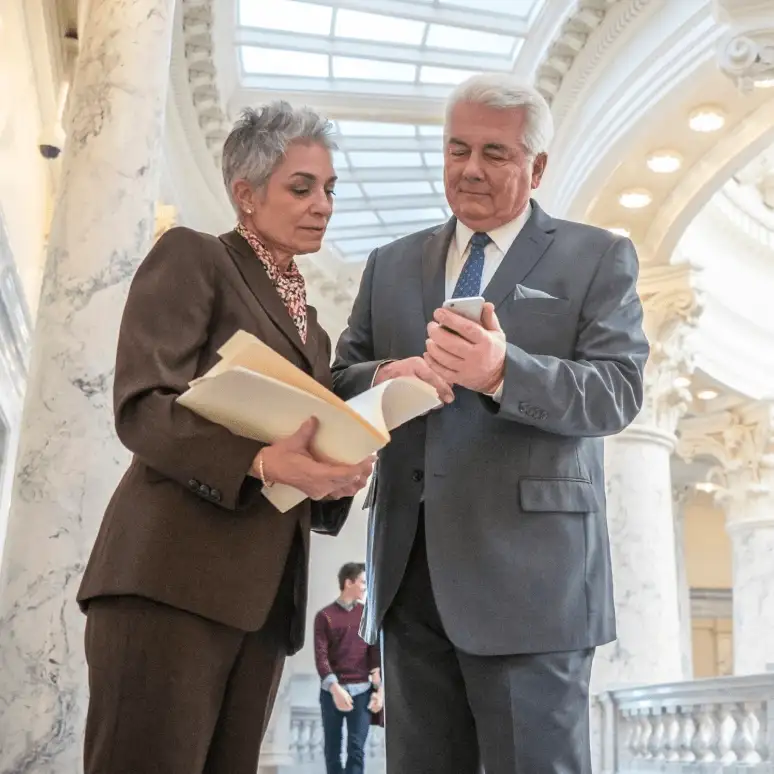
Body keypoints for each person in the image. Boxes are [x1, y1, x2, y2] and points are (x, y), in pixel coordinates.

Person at [332, 73, 649, 774]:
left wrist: (505, 370)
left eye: (496, 154)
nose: (470, 168)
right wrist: (387, 376)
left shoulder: (597, 256)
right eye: (457, 149)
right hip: (409, 581)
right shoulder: (389, 264)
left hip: (533, 587)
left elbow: (619, 393)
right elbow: (338, 379)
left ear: (536, 168)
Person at [76, 102, 374, 774]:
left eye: (330, 189)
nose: (322, 204)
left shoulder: (316, 333)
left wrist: (335, 475)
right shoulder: (196, 257)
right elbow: (144, 405)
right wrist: (264, 460)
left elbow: (303, 452)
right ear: (246, 194)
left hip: (262, 603)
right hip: (169, 580)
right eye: (302, 188)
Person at [313, 562, 383, 774]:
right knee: (332, 751)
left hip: (362, 692)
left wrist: (380, 692)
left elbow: (375, 656)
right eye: (362, 582)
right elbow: (321, 657)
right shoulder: (325, 617)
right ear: (348, 582)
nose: (365, 587)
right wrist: (336, 690)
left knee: (356, 751)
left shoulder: (367, 615)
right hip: (331, 693)